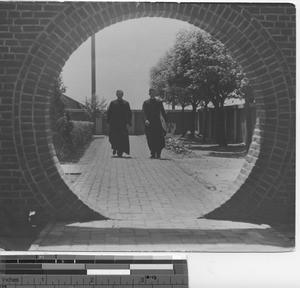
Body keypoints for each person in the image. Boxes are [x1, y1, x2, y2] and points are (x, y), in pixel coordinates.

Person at [142, 88, 167, 158]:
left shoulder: (159, 102)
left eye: (153, 92)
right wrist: (145, 120)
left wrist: (165, 122)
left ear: (155, 93)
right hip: (149, 123)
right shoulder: (146, 102)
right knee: (150, 138)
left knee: (159, 138)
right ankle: (152, 153)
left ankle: (158, 152)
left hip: (158, 123)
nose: (152, 94)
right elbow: (143, 113)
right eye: (151, 92)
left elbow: (163, 112)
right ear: (149, 93)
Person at [107, 90, 132, 157]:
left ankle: (120, 151)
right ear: (116, 94)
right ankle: (115, 148)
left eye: (120, 94)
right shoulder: (113, 103)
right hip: (114, 124)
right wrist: (108, 122)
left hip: (123, 124)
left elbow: (129, 114)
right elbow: (109, 113)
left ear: (122, 95)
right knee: (113, 137)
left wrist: (128, 123)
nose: (119, 95)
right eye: (118, 94)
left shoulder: (126, 103)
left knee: (122, 138)